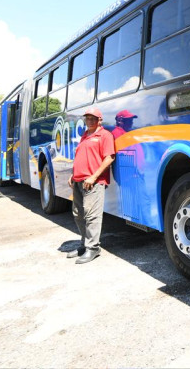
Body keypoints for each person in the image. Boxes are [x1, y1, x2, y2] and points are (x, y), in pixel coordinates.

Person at [67, 108, 115, 264]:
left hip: (93, 182)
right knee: (78, 214)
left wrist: (94, 176)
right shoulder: (85, 136)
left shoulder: (105, 135)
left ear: (100, 120)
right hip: (79, 181)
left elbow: (109, 158)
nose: (90, 120)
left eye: (93, 118)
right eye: (87, 118)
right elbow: (82, 157)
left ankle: (93, 248)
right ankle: (84, 245)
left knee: (91, 215)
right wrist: (73, 176)